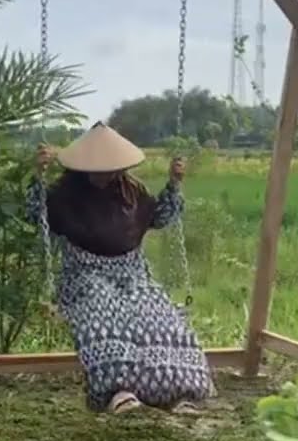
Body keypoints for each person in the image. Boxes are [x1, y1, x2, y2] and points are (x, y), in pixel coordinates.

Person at [26, 122, 215, 415]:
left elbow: (162, 217)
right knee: (103, 318)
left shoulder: (133, 191)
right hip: (84, 274)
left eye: (110, 168)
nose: (105, 175)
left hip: (133, 274)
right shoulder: (65, 193)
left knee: (160, 319)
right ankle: (120, 393)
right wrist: (38, 175)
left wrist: (175, 183)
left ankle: (178, 394)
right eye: (98, 169)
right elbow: (35, 214)